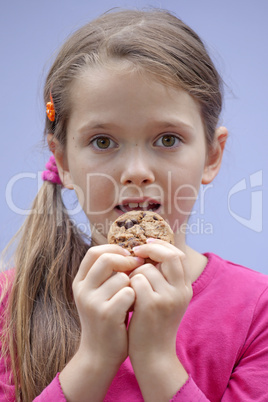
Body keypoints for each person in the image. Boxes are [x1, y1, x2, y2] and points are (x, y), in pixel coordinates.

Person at [0, 8, 267, 402]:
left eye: (168, 139)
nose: (136, 172)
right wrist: (94, 360)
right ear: (64, 162)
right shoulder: (11, 305)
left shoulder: (256, 311)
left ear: (212, 155)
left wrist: (157, 361)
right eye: (103, 141)